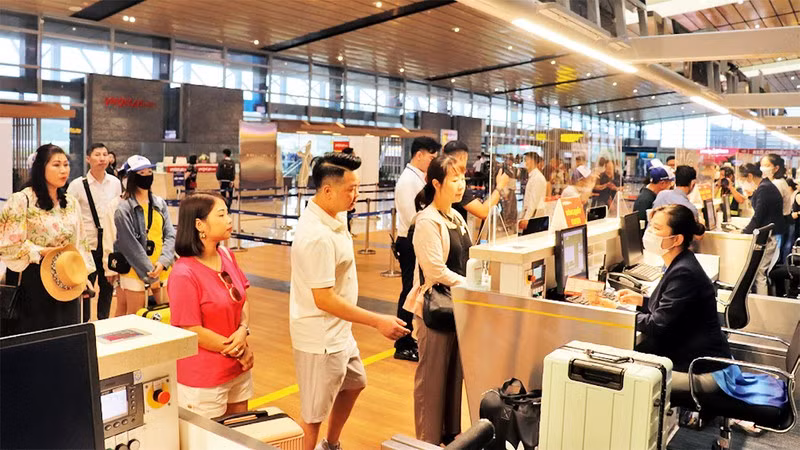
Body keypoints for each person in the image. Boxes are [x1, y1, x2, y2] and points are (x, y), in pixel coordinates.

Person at [290, 152, 408, 450]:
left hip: (339, 330)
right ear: (326, 190)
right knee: (313, 415)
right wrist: (377, 320)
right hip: (320, 337)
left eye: (357, 188)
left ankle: (331, 444)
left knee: (355, 382)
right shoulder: (316, 236)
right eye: (349, 189)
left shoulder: (334, 213)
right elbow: (324, 299)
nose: (355, 195)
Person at [618, 204, 731, 404]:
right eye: (650, 227)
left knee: (619, 374)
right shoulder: (681, 262)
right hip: (699, 358)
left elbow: (657, 325)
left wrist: (618, 313)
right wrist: (641, 302)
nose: (650, 233)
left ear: (677, 239)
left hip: (700, 369)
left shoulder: (683, 272)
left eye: (657, 229)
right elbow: (671, 309)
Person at [169, 194, 254, 419]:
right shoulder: (183, 273)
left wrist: (243, 330)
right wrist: (238, 350)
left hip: (237, 368)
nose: (229, 219)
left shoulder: (226, 254)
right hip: (204, 379)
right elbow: (190, 330)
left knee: (238, 436)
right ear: (199, 225)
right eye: (221, 214)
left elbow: (241, 299)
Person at [404, 155, 470, 445]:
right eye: (454, 179)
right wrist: (471, 284)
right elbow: (434, 269)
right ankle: (427, 440)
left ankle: (449, 435)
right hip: (436, 309)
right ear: (436, 183)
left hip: (458, 307)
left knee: (453, 378)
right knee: (431, 382)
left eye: (462, 178)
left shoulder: (455, 216)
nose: (460, 185)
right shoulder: (427, 221)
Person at [0, 144, 95, 335]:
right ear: (41, 167)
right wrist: (41, 251)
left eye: (66, 165)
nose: (63, 170)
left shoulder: (70, 202)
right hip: (32, 278)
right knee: (34, 338)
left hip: (65, 278)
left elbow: (80, 242)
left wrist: (83, 275)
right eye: (56, 165)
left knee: (65, 335)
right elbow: (7, 243)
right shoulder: (22, 200)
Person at [393, 137, 440, 362]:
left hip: (415, 240)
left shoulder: (417, 177)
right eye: (431, 157)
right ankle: (401, 343)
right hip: (408, 241)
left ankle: (407, 336)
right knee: (407, 291)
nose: (433, 162)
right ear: (419, 155)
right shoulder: (407, 181)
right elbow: (411, 217)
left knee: (413, 289)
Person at [114, 155, 176, 316]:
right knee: (135, 316)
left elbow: (169, 234)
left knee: (165, 315)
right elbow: (129, 245)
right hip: (135, 270)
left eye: (149, 171)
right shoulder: (123, 209)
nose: (147, 176)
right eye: (142, 173)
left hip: (161, 267)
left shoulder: (159, 203)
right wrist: (149, 271)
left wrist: (163, 263)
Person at [67, 143, 121, 321]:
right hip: (87, 245)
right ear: (88, 158)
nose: (102, 158)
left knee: (107, 286)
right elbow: (69, 214)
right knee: (85, 286)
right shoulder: (77, 185)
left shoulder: (115, 183)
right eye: (97, 154)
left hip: (108, 245)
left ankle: (103, 322)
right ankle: (84, 323)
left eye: (105, 154)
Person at [739, 163, 783, 295]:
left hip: (770, 238)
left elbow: (758, 217)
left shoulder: (764, 189)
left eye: (742, 179)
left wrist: (742, 232)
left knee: (760, 273)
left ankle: (763, 305)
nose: (742, 183)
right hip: (771, 235)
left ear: (750, 176)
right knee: (760, 272)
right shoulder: (765, 187)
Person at [442, 141, 510, 222]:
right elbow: (483, 212)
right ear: (462, 158)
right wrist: (500, 186)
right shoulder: (455, 184)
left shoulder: (439, 175)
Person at [761, 154, 794, 264]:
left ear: (776, 168)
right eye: (762, 165)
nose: (763, 168)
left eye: (766, 165)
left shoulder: (777, 184)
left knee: (773, 259)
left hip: (779, 224)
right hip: (782, 221)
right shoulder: (777, 182)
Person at [518, 151, 546, 231]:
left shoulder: (537, 178)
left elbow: (533, 200)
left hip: (534, 216)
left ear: (533, 161)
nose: (525, 162)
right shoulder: (533, 176)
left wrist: (526, 218)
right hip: (532, 215)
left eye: (526, 160)